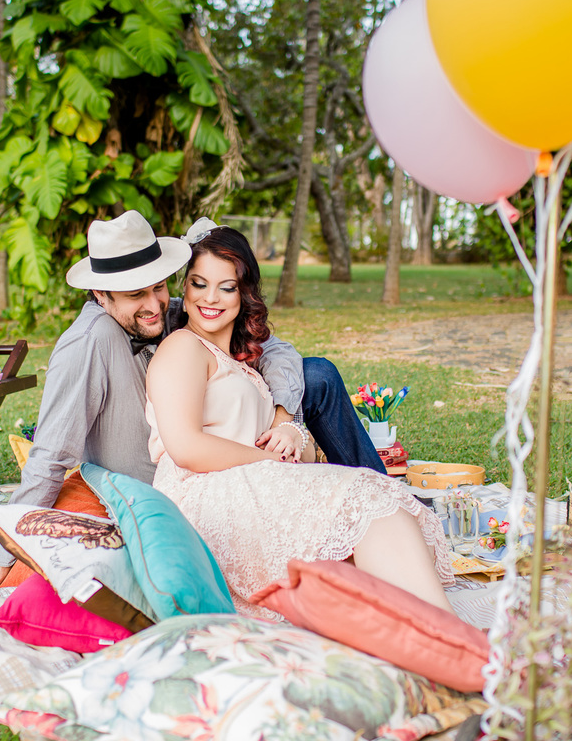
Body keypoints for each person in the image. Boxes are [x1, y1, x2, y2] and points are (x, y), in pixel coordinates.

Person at [0, 212, 384, 595]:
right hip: (168, 480)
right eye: (137, 294)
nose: (154, 304)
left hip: (236, 440)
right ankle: (356, 520)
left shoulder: (163, 311)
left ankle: (380, 501)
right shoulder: (88, 345)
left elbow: (279, 349)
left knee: (318, 374)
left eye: (158, 287)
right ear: (101, 294)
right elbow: (50, 457)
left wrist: (286, 418)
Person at [146, 224, 453, 616]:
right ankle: (450, 636)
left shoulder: (246, 366)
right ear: (183, 292)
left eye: (226, 287)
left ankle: (441, 630)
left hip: (254, 484)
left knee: (379, 512)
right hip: (204, 496)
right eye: (198, 284)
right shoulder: (183, 347)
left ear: (244, 294)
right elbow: (186, 447)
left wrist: (291, 430)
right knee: (369, 500)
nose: (211, 298)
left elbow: (297, 453)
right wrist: (269, 460)